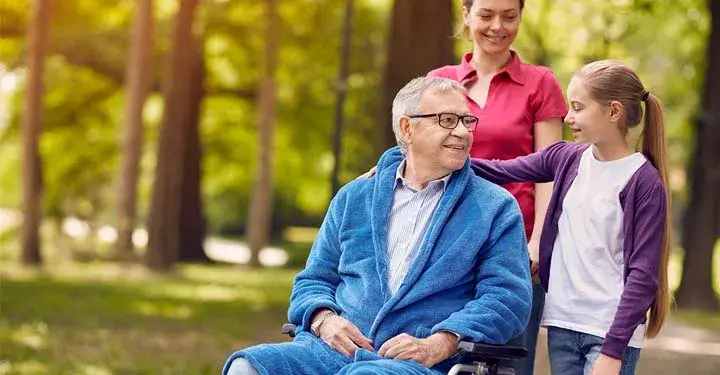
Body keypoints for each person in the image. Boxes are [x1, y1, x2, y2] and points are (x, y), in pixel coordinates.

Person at [222, 77, 532, 375]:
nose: (463, 132)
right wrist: (323, 319)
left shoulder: (494, 207)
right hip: (330, 353)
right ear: (407, 128)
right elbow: (313, 280)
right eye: (448, 120)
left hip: (419, 364)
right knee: (247, 367)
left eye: (467, 121)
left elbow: (507, 298)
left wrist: (440, 343)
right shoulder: (355, 197)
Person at [468, 60, 671, 375]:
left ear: (613, 112)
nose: (568, 117)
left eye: (578, 107)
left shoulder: (642, 182)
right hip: (563, 324)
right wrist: (417, 157)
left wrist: (613, 351)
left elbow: (643, 276)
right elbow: (498, 170)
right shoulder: (566, 158)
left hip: (608, 334)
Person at [427, 1, 568, 373]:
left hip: (514, 246)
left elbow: (549, 169)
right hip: (447, 245)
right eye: (487, 15)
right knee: (440, 355)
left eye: (509, 16)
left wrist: (539, 240)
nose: (498, 26)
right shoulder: (440, 81)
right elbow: (421, 158)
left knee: (508, 361)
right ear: (466, 15)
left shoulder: (541, 82)